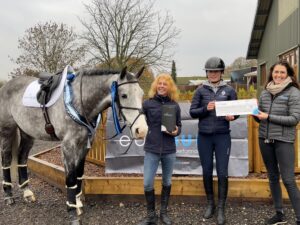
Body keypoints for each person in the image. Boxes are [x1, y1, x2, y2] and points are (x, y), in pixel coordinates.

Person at [189, 57, 238, 225]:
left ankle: (222, 209)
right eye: (210, 71)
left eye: (216, 71)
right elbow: (193, 112)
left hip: (223, 136)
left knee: (223, 172)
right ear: (207, 73)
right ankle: (211, 204)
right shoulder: (200, 91)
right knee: (207, 170)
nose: (213, 74)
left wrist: (233, 116)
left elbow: (236, 111)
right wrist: (205, 109)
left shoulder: (229, 90)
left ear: (221, 72)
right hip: (205, 137)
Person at [254, 60, 300, 225]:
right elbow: (262, 119)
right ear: (271, 74)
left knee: (288, 179)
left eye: (282, 72)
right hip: (265, 140)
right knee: (273, 177)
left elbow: (294, 119)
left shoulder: (294, 92)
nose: (278, 75)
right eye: (276, 72)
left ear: (288, 75)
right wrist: (255, 114)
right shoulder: (265, 92)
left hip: (284, 141)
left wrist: (268, 117)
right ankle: (279, 214)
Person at [137, 73, 181, 225]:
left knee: (167, 182)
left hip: (169, 150)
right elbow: (139, 121)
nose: (161, 86)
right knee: (148, 183)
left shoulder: (174, 105)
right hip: (152, 149)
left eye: (165, 84)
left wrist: (176, 131)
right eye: (159, 83)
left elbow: (179, 126)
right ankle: (151, 217)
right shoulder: (147, 104)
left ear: (170, 88)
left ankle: (163, 213)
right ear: (155, 86)